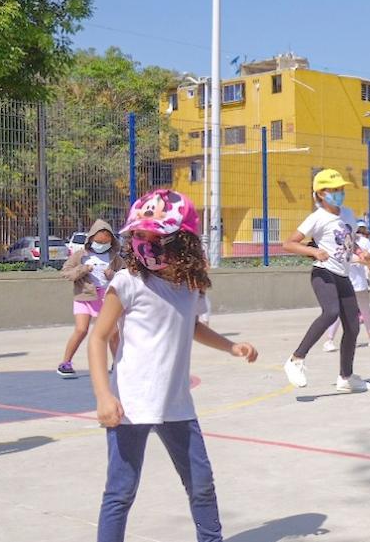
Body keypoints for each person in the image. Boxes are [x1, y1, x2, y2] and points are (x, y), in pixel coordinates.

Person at [87, 189, 259, 542]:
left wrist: (231, 346)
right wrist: (104, 396)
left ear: (184, 241)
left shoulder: (190, 287)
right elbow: (98, 337)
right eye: (139, 235)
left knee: (201, 484)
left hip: (177, 404)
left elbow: (192, 326)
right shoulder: (127, 282)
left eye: (157, 237)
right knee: (120, 491)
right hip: (130, 405)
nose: (146, 243)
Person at [281, 169, 370, 393]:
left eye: (341, 189)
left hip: (343, 275)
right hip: (323, 273)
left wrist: (362, 254)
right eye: (334, 190)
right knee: (330, 312)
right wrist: (314, 252)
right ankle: (295, 360)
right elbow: (289, 243)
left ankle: (346, 377)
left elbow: (349, 242)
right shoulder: (317, 218)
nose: (339, 193)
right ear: (321, 193)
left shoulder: (348, 214)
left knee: (352, 327)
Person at [57, 219, 123, 378]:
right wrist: (83, 269)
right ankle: (65, 363)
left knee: (113, 332)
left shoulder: (114, 257)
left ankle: (118, 364)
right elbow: (66, 272)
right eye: (99, 241)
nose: (102, 244)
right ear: (91, 238)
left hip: (106, 298)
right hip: (84, 296)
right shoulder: (81, 255)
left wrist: (112, 275)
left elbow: (125, 275)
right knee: (81, 330)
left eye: (106, 242)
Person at [323, 220, 370, 351]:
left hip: (360, 282)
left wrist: (367, 259)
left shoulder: (364, 242)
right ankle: (329, 340)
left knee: (365, 310)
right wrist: (361, 260)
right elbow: (342, 259)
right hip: (344, 281)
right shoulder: (338, 241)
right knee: (338, 312)